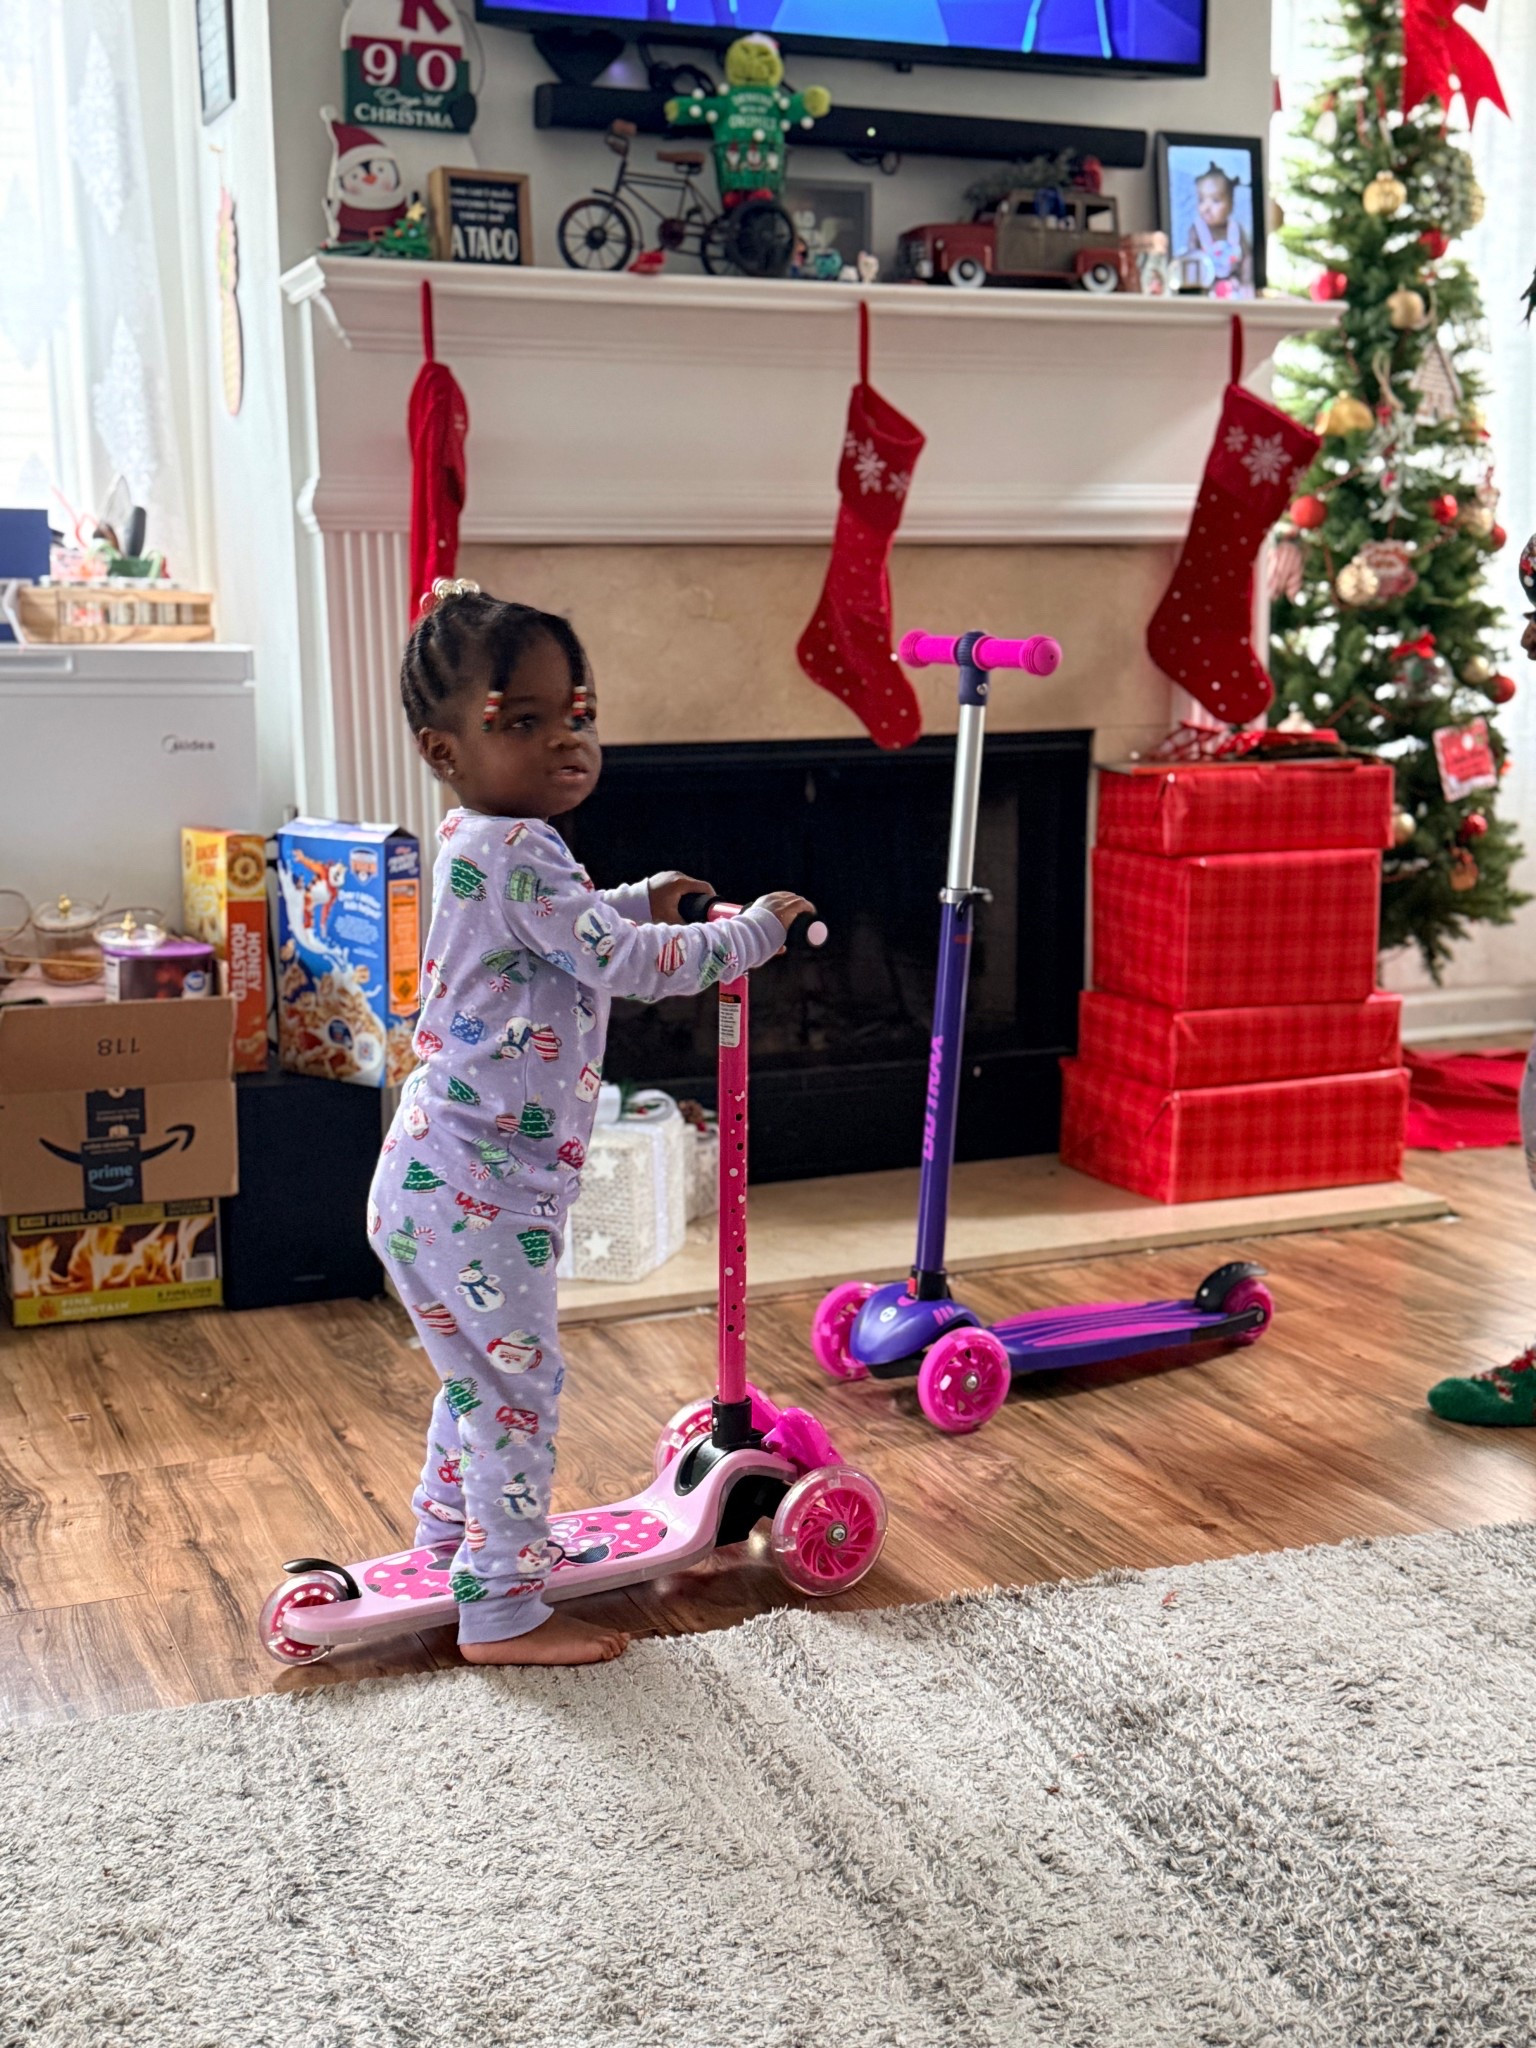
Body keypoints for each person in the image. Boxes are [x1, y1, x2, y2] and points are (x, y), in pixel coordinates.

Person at [372, 580, 813, 1665]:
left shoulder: (488, 839)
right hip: (480, 1189)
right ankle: (502, 1607)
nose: (567, 740)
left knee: (478, 1380)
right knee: (518, 1393)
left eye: (579, 711)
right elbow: (620, 964)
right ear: (443, 747)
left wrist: (631, 893)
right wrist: (747, 937)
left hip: (435, 1179)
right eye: (522, 721)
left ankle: (447, 1542)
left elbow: (566, 931)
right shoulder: (517, 847)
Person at [1185, 163, 1254, 294]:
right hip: (1205, 288)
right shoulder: (1197, 230)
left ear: (1231, 204)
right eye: (1201, 200)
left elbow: (1247, 258)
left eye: (1215, 201)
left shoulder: (1236, 229)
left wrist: (1246, 282)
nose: (1206, 208)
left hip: (1233, 287)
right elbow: (1191, 259)